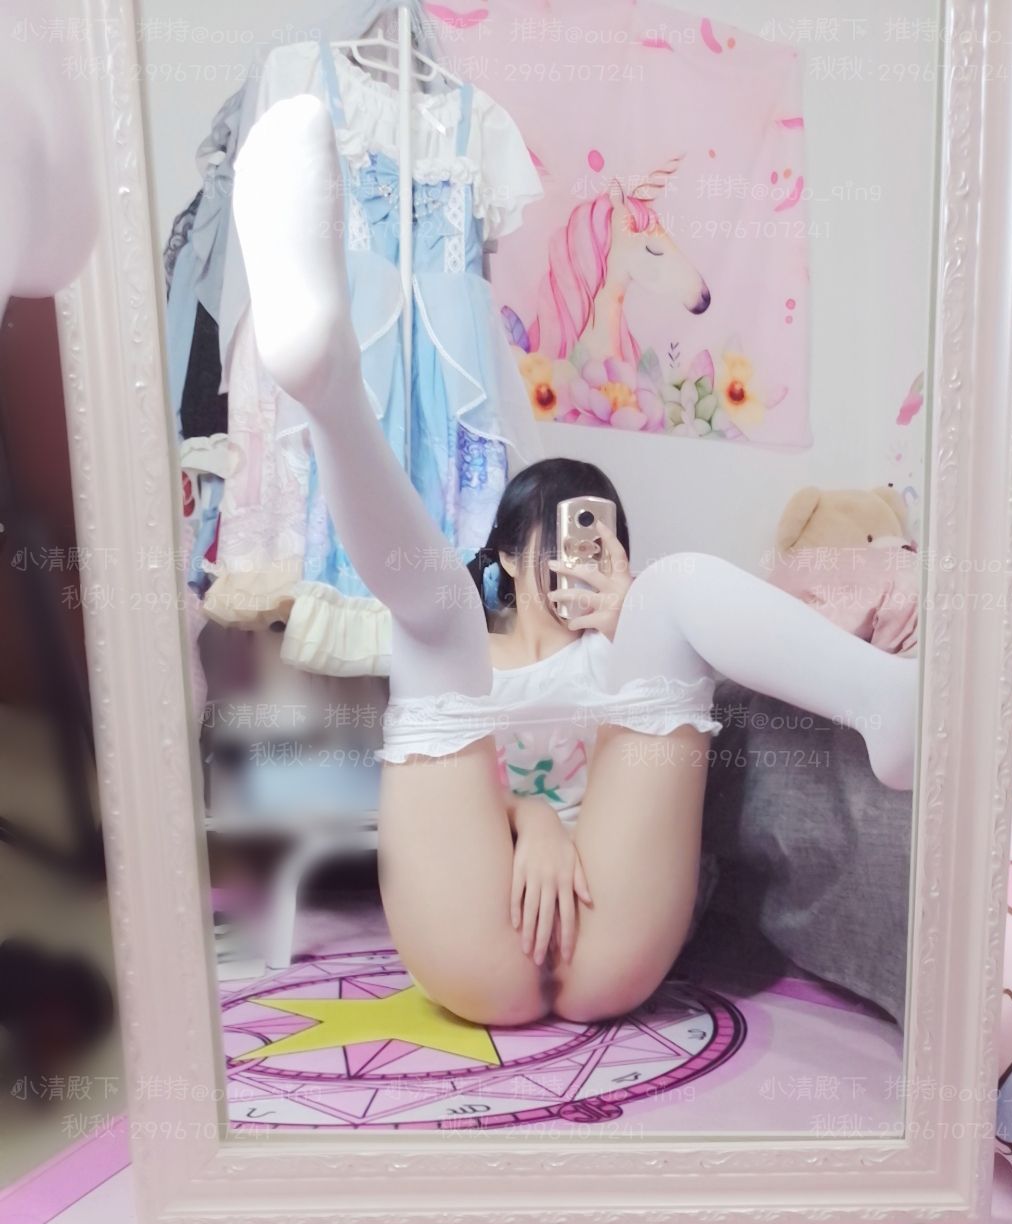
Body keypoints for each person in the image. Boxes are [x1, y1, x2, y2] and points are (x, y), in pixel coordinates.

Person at [233, 95, 917, 1026]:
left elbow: (660, 779)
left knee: (673, 589)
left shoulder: (620, 653)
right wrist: (531, 820)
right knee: (437, 615)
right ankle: (329, 386)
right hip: (474, 926)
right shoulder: (469, 652)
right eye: (562, 530)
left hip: (615, 929)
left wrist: (635, 619)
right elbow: (473, 778)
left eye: (603, 530)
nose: (588, 547)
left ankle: (886, 701)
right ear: (510, 556)